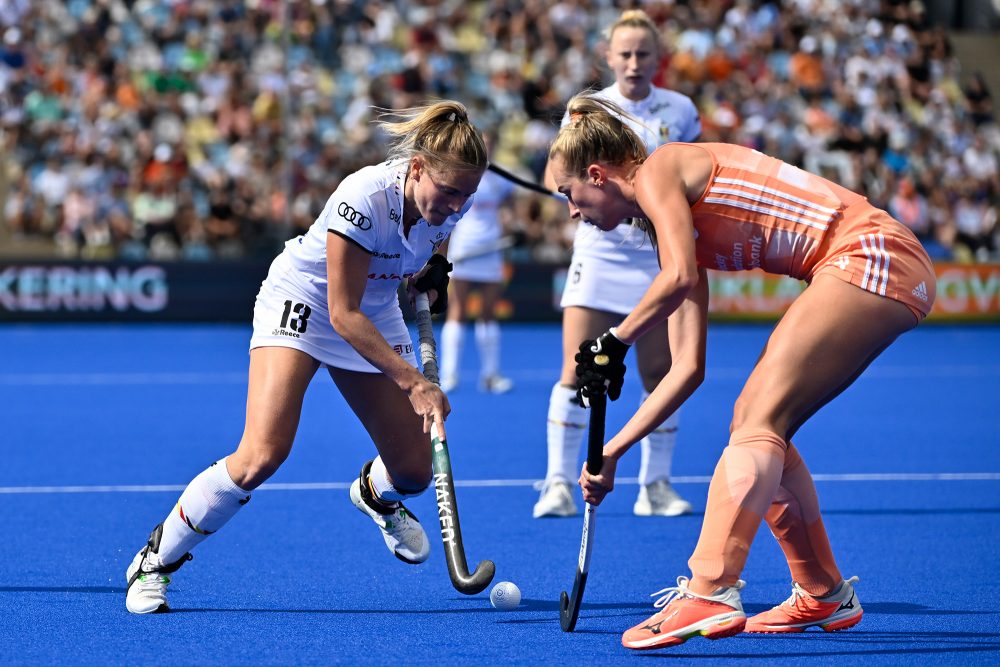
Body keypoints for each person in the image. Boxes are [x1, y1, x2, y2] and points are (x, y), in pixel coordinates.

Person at [549, 95, 935, 650]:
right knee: (758, 426)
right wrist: (614, 451)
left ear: (596, 174)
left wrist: (615, 339)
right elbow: (687, 370)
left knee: (758, 419)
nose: (571, 210)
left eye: (569, 194)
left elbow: (679, 278)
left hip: (869, 253)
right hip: (876, 261)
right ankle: (822, 591)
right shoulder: (673, 230)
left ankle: (710, 588)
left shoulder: (660, 168)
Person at [124, 101, 488, 614]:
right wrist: (413, 381)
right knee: (261, 456)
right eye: (448, 192)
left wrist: (433, 267)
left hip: (376, 306)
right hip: (309, 302)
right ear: (416, 168)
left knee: (413, 470)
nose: (455, 205)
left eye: (466, 196)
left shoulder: (454, 199)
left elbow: (435, 235)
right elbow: (342, 314)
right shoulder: (364, 197)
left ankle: (375, 493)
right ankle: (154, 562)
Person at [533, 9, 702, 519]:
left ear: (657, 58)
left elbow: (688, 179)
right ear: (608, 57)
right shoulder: (587, 108)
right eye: (624, 54)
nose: (633, 63)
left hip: (657, 254)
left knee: (660, 370)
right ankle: (558, 484)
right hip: (601, 252)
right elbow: (557, 172)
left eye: (643, 53)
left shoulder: (681, 109)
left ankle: (655, 485)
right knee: (574, 367)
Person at [439, 134, 516, 394]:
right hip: (465, 249)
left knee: (488, 313)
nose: (486, 148)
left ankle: (490, 376)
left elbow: (511, 204)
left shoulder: (501, 179)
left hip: (491, 249)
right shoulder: (460, 174)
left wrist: (509, 220)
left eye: (490, 144)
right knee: (457, 311)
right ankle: (449, 375)